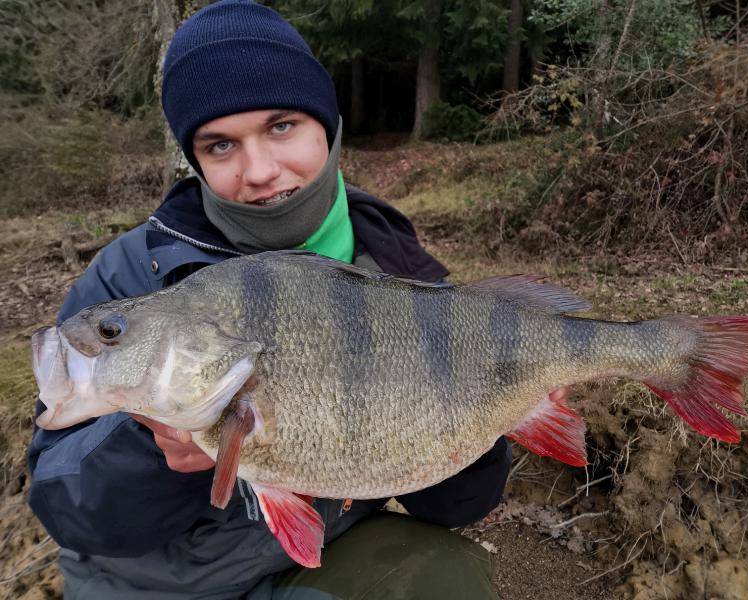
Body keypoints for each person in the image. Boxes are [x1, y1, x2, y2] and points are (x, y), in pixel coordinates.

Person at [27, 2, 515, 598]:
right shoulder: (131, 276)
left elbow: (458, 505)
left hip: (327, 558)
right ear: (195, 159)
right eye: (220, 146)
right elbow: (65, 506)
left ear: (327, 125)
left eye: (281, 126)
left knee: (445, 580)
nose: (258, 170)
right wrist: (159, 452)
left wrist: (500, 404)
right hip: (155, 586)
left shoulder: (399, 270)